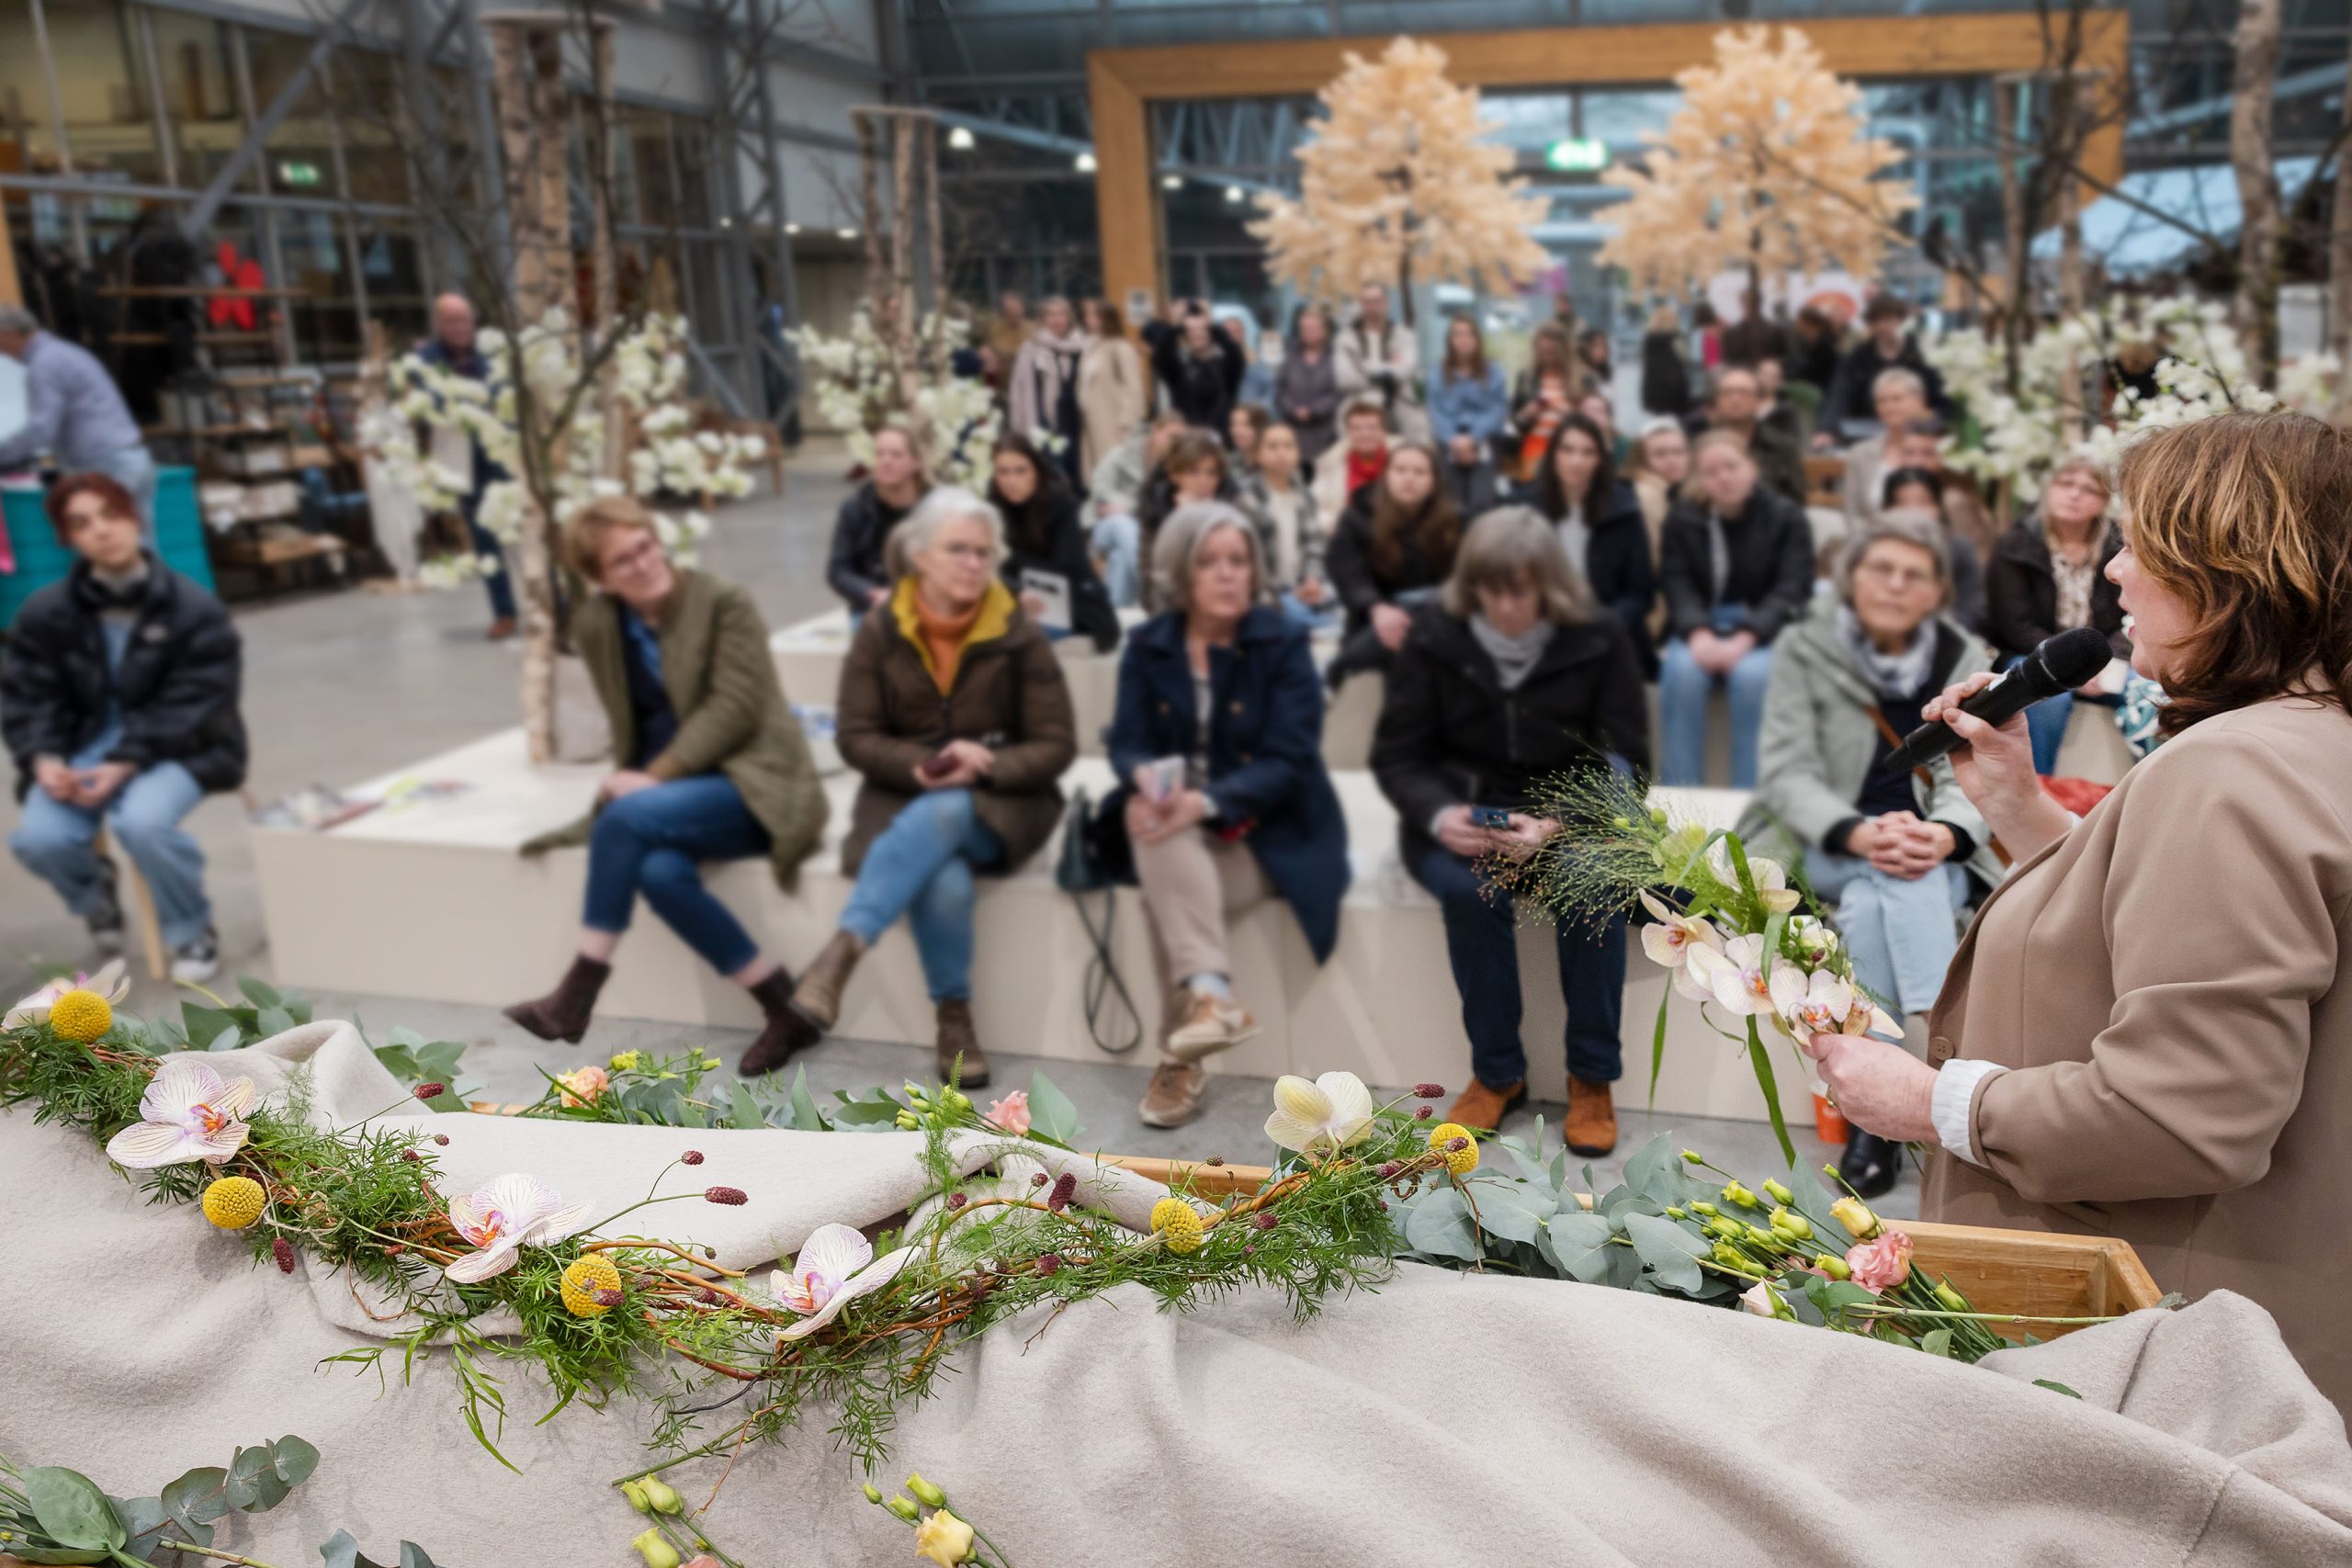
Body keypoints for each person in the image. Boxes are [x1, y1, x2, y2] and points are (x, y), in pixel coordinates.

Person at [1803, 411, 2352, 1416]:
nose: (2112, 572)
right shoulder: (2306, 739)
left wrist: (1931, 1102)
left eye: (2138, 544)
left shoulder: (2229, 770)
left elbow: (2181, 1117)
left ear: (2225, 572)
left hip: (2161, 1345)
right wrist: (2018, 804)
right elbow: (2154, 917)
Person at [505, 499, 828, 1073]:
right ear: (600, 578)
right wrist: (640, 779)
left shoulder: (723, 603)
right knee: (658, 873)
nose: (643, 563)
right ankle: (784, 1007)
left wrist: (652, 781)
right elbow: (630, 718)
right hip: (680, 795)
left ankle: (577, 992)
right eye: (623, 560)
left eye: (646, 547)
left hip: (756, 780)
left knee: (623, 818)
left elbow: (735, 707)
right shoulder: (600, 623)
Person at [1739, 512, 2003, 1198]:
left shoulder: (1960, 655)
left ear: (1936, 591)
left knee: (1874, 897)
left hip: (1924, 852)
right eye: (1880, 569)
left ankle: (1874, 1125)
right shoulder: (1805, 649)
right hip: (1822, 841)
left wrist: (1942, 835)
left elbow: (1973, 772)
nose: (1894, 584)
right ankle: (1945, 1061)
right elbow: (1788, 773)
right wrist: (1858, 834)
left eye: (1914, 574)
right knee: (1884, 878)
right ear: (1852, 578)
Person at [1373, 507, 1649, 1148]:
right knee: (1469, 891)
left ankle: (1591, 1076)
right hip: (1465, 810)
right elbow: (1399, 754)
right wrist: (1441, 815)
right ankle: (1497, 1073)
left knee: (1592, 883)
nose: (1504, 607)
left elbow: (1629, 761)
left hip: (1569, 811)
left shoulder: (1599, 634)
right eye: (1489, 591)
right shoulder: (1434, 635)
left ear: (1548, 584)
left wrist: (1556, 823)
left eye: (1519, 591)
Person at [791, 488, 1079, 1088]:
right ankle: (955, 1018)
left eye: (983, 552)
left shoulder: (1017, 631)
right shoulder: (882, 628)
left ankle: (843, 949)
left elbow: (1055, 743)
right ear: (919, 555)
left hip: (1006, 801)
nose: (974, 563)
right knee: (944, 880)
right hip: (902, 795)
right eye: (957, 549)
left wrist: (986, 764)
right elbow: (856, 735)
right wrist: (919, 763)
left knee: (948, 811)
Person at [1101, 503, 1350, 1129]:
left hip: (1272, 833)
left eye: (1238, 561)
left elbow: (1290, 759)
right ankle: (1213, 1000)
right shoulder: (1150, 644)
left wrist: (1203, 802)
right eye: (1209, 561)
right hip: (1181, 833)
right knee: (1154, 829)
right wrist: (1144, 778)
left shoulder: (1280, 640)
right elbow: (1126, 742)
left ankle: (1180, 1054)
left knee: (1160, 890)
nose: (1227, 573)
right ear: (1181, 573)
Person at [3, 473, 241, 983]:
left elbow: (199, 704)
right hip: (81, 748)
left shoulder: (193, 608)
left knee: (143, 823)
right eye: (81, 523)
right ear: (68, 538)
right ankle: (95, 895)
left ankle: (192, 928)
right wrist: (45, 759)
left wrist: (125, 762)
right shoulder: (46, 613)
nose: (101, 530)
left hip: (179, 747)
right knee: (39, 838)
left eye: (110, 514)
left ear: (134, 517)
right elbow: (28, 696)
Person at [1657, 431, 1815, 786]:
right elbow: (1676, 582)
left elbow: (1792, 588)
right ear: (1699, 479)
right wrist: (1697, 632)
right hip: (1700, 626)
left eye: (1732, 466)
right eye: (1711, 472)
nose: (1723, 478)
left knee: (1754, 678)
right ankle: (1679, 800)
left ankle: (1752, 804)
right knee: (1680, 673)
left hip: (1762, 629)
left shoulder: (1785, 516)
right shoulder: (1683, 519)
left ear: (1751, 468)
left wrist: (1747, 637)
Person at [1982, 456, 2130, 774]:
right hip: (2030, 653)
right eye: (2066, 484)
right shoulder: (2015, 543)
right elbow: (2016, 625)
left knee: (2147, 690)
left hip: (2102, 657)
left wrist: (2107, 661)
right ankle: (2038, 787)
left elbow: (2129, 615)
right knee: (2047, 697)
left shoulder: (2120, 545)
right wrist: (2070, 665)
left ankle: (2151, 791)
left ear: (2104, 501)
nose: (2075, 494)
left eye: (2088, 489)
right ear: (2048, 490)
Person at [0, 306, 157, 536]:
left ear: (10, 333)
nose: (3, 353)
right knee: (135, 543)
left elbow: (42, 428)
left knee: (110, 544)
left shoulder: (44, 364)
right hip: (128, 456)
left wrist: (3, 454)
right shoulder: (67, 352)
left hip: (104, 466)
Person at [412, 293, 515, 638]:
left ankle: (553, 605)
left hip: (503, 451)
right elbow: (431, 401)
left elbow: (506, 392)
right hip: (463, 459)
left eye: (465, 320)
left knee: (526, 529)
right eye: (452, 321)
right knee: (484, 538)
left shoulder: (492, 351)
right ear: (439, 324)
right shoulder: (425, 359)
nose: (460, 327)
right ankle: (504, 612)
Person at [1325, 440, 1460, 682]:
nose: (1409, 478)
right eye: (1400, 470)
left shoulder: (1453, 521)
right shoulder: (1357, 517)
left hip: (1436, 621)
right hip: (1372, 619)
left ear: (1434, 481)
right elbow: (1347, 570)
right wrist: (1376, 607)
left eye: (1419, 472)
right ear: (1386, 475)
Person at [1533, 413, 1655, 671]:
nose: (1576, 461)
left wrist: (1606, 627)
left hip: (1607, 627)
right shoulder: (1526, 508)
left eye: (1587, 452)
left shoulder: (1625, 508)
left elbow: (1640, 592)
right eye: (1567, 450)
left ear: (1600, 460)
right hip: (1543, 626)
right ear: (1553, 455)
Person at [987, 433, 1119, 651]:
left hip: (1069, 602)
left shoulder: (1060, 503)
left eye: (1020, 471)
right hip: (1013, 598)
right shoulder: (993, 505)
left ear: (1036, 471)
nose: (1011, 481)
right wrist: (1015, 584)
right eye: (1003, 472)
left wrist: (1010, 562)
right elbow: (990, 566)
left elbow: (1066, 567)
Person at [1135, 430, 1250, 608]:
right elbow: (1153, 573)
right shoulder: (1156, 510)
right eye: (1193, 472)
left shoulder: (1235, 509)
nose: (1204, 481)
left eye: (1211, 473)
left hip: (1231, 602)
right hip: (1175, 605)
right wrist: (1183, 521)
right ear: (1175, 475)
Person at [1087, 410, 1189, 608]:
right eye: (1172, 436)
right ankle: (1153, 588)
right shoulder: (1121, 454)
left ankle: (1116, 614)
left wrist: (1127, 508)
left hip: (1139, 531)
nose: (1176, 443)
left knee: (1119, 558)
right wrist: (1123, 508)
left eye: (1180, 439)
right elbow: (1098, 488)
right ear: (1155, 431)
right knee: (1122, 524)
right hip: (1103, 524)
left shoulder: (1174, 468)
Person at [827, 424, 929, 616]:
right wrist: (871, 593)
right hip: (874, 607)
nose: (886, 461)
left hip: (927, 605)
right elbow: (838, 571)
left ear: (916, 462)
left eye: (896, 455)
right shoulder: (856, 507)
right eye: (879, 454)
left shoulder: (936, 508)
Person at [1242, 421, 1334, 628]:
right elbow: (1252, 559)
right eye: (1272, 446)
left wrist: (1312, 578)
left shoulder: (1304, 496)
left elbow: (1313, 545)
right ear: (1258, 454)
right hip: (1263, 595)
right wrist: (1286, 594)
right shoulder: (1246, 498)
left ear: (1298, 453)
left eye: (1288, 446)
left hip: (1300, 590)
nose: (1281, 453)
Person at [1820, 295, 1951, 442]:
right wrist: (1827, 430)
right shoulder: (1857, 359)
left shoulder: (1923, 355)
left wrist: (1934, 420)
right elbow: (1840, 395)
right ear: (1871, 325)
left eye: (1890, 319)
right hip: (1868, 430)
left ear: (1902, 321)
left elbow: (1941, 398)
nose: (1885, 326)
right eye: (1878, 321)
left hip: (1919, 431)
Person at [1889, 414, 1998, 572]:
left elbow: (1978, 562)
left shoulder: (1954, 500)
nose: (1916, 462)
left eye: (1928, 454)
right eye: (1909, 453)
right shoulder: (1899, 488)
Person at [1880, 470, 1985, 632]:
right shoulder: (1870, 549)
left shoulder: (1958, 549)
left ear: (1938, 507)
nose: (1912, 511)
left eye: (1923, 502)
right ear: (1887, 509)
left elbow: (1971, 606)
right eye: (1901, 503)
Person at [1005, 296, 1090, 486]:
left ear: (1069, 318)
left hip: (1076, 424)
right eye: (1051, 315)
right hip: (1042, 423)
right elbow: (1017, 392)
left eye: (1061, 314)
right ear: (1043, 319)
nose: (1056, 320)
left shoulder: (1083, 347)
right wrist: (1019, 428)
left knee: (1079, 479)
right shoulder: (1031, 349)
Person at [1695, 365, 1807, 506]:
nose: (1735, 399)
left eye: (1743, 393)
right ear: (1717, 402)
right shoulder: (1701, 447)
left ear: (1759, 400)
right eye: (1727, 393)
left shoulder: (1782, 446)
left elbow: (1796, 500)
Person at [1429, 313, 1505, 516]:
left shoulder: (1494, 371)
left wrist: (1473, 438)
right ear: (1450, 340)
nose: (1464, 339)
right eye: (1458, 334)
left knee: (1481, 502)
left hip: (1483, 439)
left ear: (1477, 339)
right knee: (1450, 503)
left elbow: (1497, 409)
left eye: (1469, 334)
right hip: (1449, 441)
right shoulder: (1437, 372)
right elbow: (1435, 410)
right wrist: (1454, 441)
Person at [1837, 368, 1935, 524]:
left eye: (1897, 399)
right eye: (1881, 401)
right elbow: (1852, 514)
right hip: (1872, 534)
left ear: (1919, 401)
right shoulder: (1861, 453)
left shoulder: (1935, 449)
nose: (1889, 407)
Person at [1336, 283, 1427, 441]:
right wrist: (1389, 368)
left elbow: (1406, 369)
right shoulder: (1346, 338)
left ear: (1386, 302)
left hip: (1400, 399)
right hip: (1359, 400)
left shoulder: (1403, 334)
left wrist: (1364, 367)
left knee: (1419, 426)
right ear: (1361, 304)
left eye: (1377, 301)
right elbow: (1346, 378)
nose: (1372, 307)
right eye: (1367, 302)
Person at [1143, 300, 1245, 437]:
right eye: (1190, 330)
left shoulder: (1225, 365)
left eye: (1202, 329)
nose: (1197, 334)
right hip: (1188, 438)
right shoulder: (1179, 367)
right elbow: (1160, 357)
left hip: (1221, 437)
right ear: (1184, 335)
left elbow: (1235, 354)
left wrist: (1210, 323)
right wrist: (1176, 326)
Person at [1076, 299, 1148, 480]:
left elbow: (1133, 387)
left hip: (1115, 421)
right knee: (1097, 467)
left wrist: (1127, 421)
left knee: (1114, 466)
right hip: (1092, 420)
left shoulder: (1121, 348)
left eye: (1094, 315)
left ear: (1106, 318)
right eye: (1088, 315)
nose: (1089, 319)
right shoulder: (1092, 346)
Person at [1272, 304, 1342, 471]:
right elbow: (1281, 388)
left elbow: (1340, 391)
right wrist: (1292, 408)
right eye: (1304, 329)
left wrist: (1315, 410)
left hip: (1327, 430)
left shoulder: (1336, 356)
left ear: (1325, 330)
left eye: (1313, 329)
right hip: (1294, 430)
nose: (1307, 333)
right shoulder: (1290, 356)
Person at [1310, 395, 1398, 523]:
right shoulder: (1329, 463)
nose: (1365, 434)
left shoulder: (1404, 460)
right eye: (1356, 428)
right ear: (1347, 432)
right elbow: (1317, 506)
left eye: (1372, 427)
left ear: (1383, 431)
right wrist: (1331, 524)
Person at [1511, 322, 1578, 484]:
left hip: (1568, 449)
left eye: (1552, 352)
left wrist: (1571, 413)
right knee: (1533, 493)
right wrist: (1527, 414)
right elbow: (1516, 423)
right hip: (1535, 449)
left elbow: (1591, 419)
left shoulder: (1577, 378)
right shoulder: (1526, 378)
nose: (1547, 356)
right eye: (1542, 351)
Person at [1623, 417, 1690, 564]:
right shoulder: (1646, 494)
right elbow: (1657, 553)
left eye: (1678, 452)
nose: (1671, 460)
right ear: (1642, 459)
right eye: (1660, 454)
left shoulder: (1678, 490)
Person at [1640, 303, 1693, 420]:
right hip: (1674, 389)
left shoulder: (1649, 340)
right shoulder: (1676, 339)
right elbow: (1684, 358)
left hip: (1654, 390)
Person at [1790, 304, 1841, 395]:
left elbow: (1812, 371)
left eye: (1800, 322)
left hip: (1821, 392)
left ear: (1808, 324)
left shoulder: (1823, 346)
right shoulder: (1812, 343)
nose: (1797, 325)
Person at [985, 290, 1030, 367]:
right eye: (1009, 308)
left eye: (1016, 307)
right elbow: (994, 349)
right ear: (1003, 311)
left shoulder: (1033, 329)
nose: (1014, 312)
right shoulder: (995, 330)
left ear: (1023, 308)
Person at [1227, 402, 1271, 479]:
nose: (1237, 431)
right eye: (1234, 424)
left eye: (1246, 425)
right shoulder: (1228, 462)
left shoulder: (1273, 463)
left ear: (1261, 427)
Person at [1576, 327, 1614, 395]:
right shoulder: (1580, 374)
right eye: (1596, 346)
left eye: (1604, 346)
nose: (1602, 351)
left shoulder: (1605, 372)